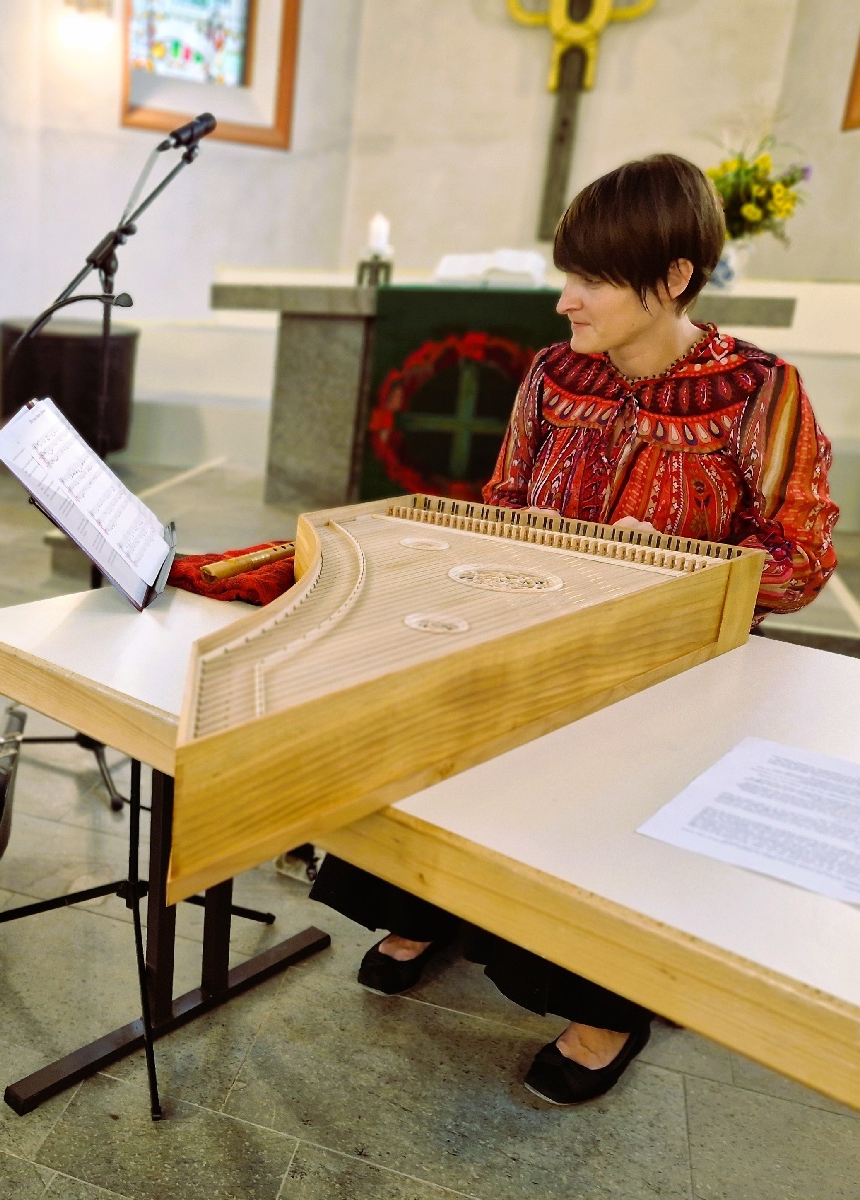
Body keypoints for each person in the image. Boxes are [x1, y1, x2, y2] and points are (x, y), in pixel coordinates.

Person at [311, 153, 839, 1104]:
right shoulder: (554, 376)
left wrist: (679, 559)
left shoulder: (760, 390)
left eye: (590, 279)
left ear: (672, 279)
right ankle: (427, 904)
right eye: (568, 274)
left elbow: (800, 560)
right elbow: (504, 497)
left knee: (609, 796)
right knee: (428, 721)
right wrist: (524, 536)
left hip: (674, 676)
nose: (565, 302)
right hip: (537, 639)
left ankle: (605, 1001)